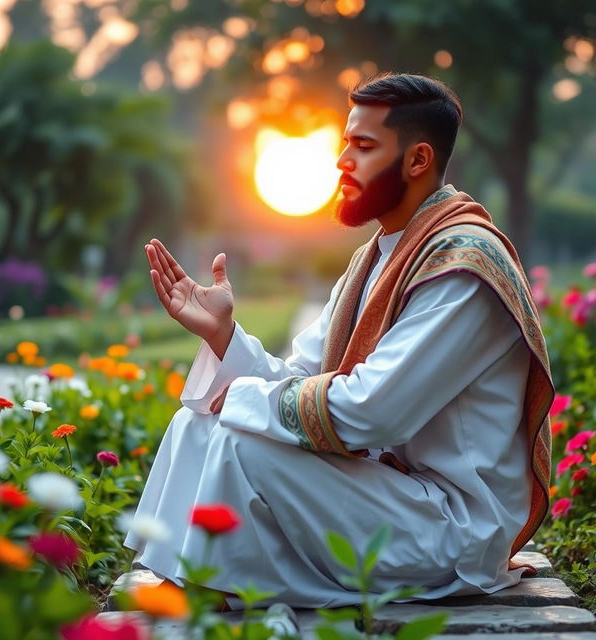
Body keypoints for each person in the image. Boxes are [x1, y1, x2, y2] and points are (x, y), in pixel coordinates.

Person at [124, 72, 553, 609]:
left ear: (418, 160)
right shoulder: (377, 259)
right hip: (390, 494)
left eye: (364, 146)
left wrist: (243, 399)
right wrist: (222, 334)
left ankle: (217, 589)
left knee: (239, 437)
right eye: (345, 142)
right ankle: (189, 577)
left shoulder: (463, 268)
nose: (342, 161)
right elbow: (303, 378)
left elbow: (372, 412)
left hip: (449, 525)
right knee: (200, 420)